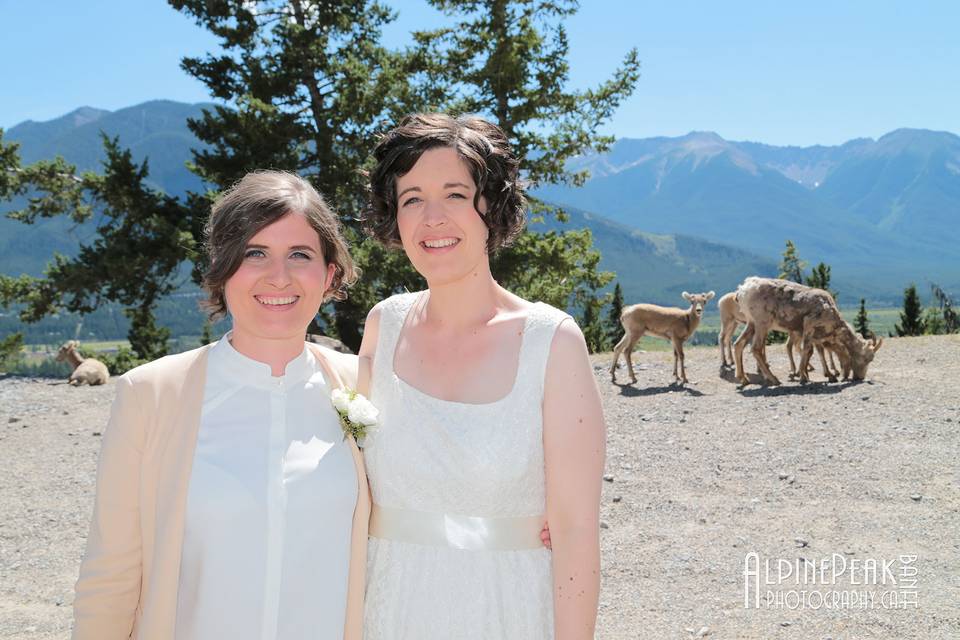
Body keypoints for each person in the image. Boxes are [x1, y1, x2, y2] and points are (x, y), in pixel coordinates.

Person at [72, 171, 370, 640]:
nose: (279, 275)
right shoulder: (151, 395)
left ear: (329, 274)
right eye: (255, 253)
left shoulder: (366, 387)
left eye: (300, 254)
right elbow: (111, 572)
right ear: (223, 267)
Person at [357, 113, 606, 639]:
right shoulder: (383, 326)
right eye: (411, 198)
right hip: (387, 610)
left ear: (490, 205)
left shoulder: (551, 343)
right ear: (393, 217)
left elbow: (577, 531)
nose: (432, 218)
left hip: (506, 611)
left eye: (454, 194)